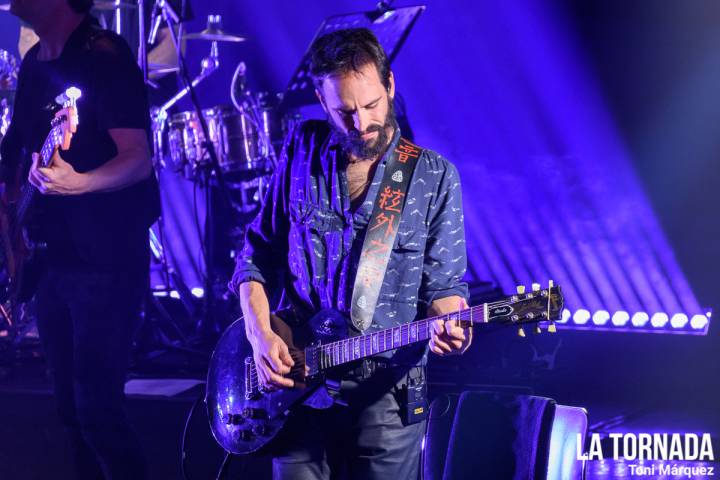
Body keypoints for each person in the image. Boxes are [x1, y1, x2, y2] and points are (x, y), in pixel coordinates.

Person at [230, 28, 472, 479]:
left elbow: (445, 288)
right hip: (296, 386)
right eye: (344, 111)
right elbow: (255, 254)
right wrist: (261, 334)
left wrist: (451, 323)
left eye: (371, 105)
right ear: (322, 104)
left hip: (387, 395)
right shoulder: (300, 149)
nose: (360, 123)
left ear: (390, 86)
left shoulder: (434, 177)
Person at [1, 0, 160, 478]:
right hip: (51, 258)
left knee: (98, 411)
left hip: (105, 259)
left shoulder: (103, 56)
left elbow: (139, 158)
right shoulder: (34, 63)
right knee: (70, 410)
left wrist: (80, 183)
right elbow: (15, 153)